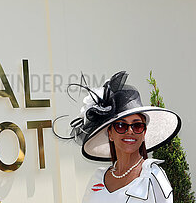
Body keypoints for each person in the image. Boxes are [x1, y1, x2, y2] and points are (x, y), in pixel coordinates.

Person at [53, 71, 181, 202]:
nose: (130, 131)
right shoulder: (97, 177)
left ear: (144, 133)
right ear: (110, 134)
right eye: (121, 125)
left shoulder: (154, 177)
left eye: (137, 126)